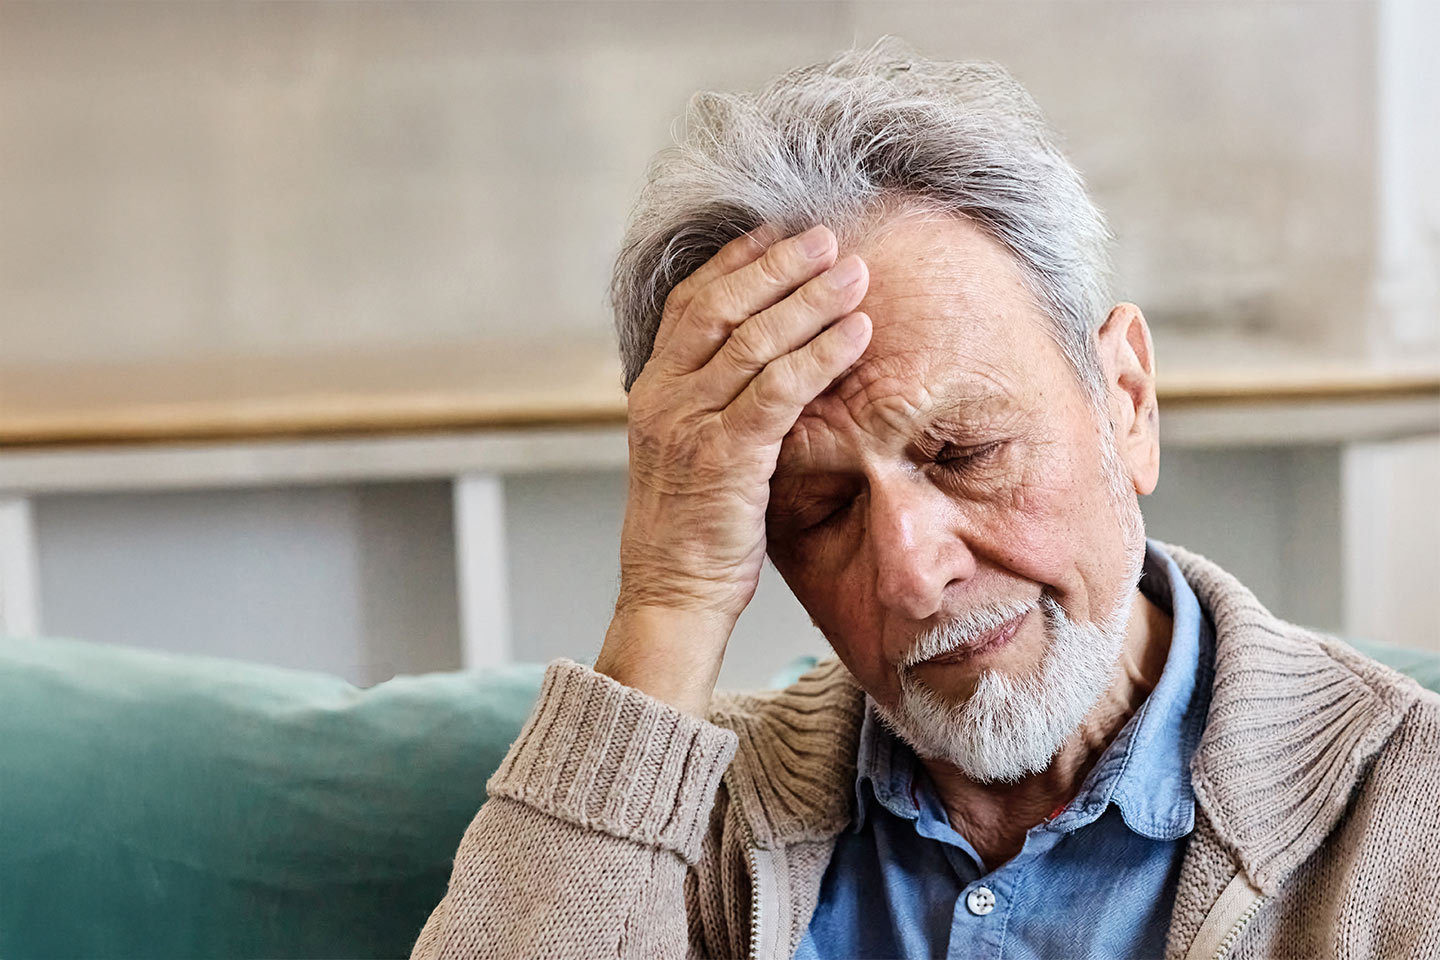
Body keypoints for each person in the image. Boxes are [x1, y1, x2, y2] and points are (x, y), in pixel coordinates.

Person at [412, 41, 1440, 959]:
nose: (911, 573)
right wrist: (668, 598)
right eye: (818, 510)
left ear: (1125, 401)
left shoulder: (1409, 817)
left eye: (963, 452)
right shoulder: (687, 829)